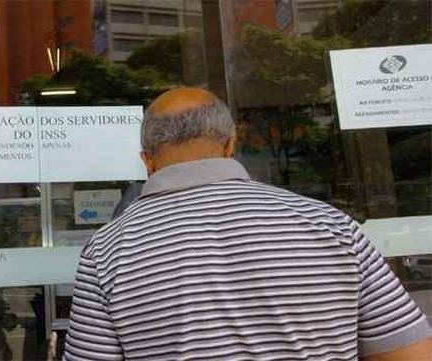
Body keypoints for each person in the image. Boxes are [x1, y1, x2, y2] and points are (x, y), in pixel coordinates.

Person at [64, 88, 432, 360]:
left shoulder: (107, 251)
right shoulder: (331, 225)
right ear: (230, 145)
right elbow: (410, 352)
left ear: (147, 160)